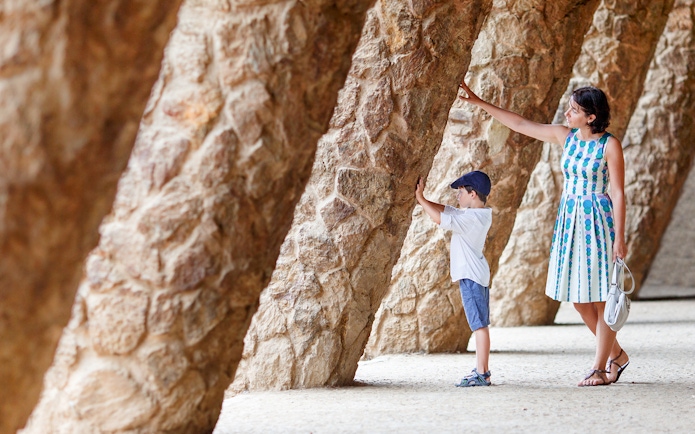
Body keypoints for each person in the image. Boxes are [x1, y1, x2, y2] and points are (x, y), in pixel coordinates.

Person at [457, 81, 629, 387]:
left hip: (598, 221)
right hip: (570, 221)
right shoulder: (567, 137)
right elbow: (521, 124)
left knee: (603, 297)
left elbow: (617, 192)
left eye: (574, 110)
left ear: (591, 117)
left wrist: (620, 237)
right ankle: (617, 355)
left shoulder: (609, 145)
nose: (568, 112)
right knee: (579, 300)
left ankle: (600, 367)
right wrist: (480, 102)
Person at [415, 170, 494, 387]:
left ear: (473, 194)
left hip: (471, 276)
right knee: (480, 324)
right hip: (475, 274)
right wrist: (425, 200)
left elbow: (441, 217)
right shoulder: (478, 214)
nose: (457, 196)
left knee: (479, 325)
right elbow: (447, 210)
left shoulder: (471, 219)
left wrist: (421, 200)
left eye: (461, 192)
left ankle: (482, 373)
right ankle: (482, 370)